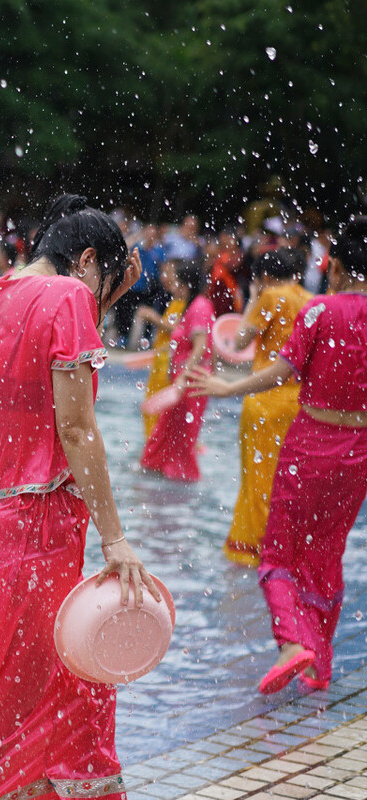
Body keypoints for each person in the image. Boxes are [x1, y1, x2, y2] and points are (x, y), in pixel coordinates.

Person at [0, 195, 159, 800]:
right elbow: (77, 428)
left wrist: (104, 292)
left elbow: (43, 370)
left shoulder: (1, 293)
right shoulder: (69, 299)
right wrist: (116, 537)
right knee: (20, 714)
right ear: (87, 260)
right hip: (39, 529)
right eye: (103, 283)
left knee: (41, 696)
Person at [187, 217, 367, 694]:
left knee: (277, 553)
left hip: (311, 442)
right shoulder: (313, 305)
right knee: (328, 553)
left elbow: (280, 371)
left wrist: (227, 387)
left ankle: (291, 641)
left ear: (337, 267)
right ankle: (320, 665)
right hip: (360, 454)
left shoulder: (321, 311)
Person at [222, 249, 312, 566]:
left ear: (265, 277)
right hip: (299, 403)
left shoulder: (271, 295)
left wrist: (251, 299)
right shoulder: (309, 299)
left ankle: (253, 550)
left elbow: (240, 342)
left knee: (258, 478)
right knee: (286, 478)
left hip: (264, 401)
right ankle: (286, 548)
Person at [140, 258, 214, 482]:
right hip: (183, 383)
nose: (175, 288)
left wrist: (183, 379)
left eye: (179, 283)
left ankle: (180, 480)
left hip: (190, 384)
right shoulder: (192, 306)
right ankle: (157, 470)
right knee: (166, 433)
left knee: (181, 439)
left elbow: (201, 348)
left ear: (187, 284)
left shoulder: (199, 306)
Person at [133, 260, 188, 439]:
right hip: (161, 361)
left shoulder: (184, 303)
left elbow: (180, 331)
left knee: (155, 406)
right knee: (152, 405)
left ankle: (155, 445)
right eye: (164, 273)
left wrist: (153, 318)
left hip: (167, 363)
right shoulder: (175, 300)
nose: (165, 278)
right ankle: (153, 445)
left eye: (169, 273)